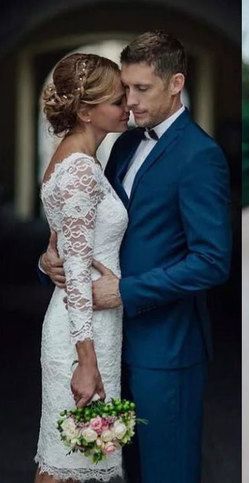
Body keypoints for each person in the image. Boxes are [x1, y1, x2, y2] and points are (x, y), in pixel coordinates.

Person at [39, 31, 232, 482]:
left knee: (168, 471)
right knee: (114, 466)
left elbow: (211, 260)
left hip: (166, 347)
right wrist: (51, 261)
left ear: (176, 83)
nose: (130, 101)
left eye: (141, 89)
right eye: (125, 88)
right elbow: (91, 226)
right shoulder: (121, 143)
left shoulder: (200, 155)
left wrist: (124, 291)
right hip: (110, 344)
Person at [35, 53, 129, 481]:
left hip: (93, 325)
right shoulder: (78, 169)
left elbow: (63, 244)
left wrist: (45, 257)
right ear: (87, 111)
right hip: (82, 335)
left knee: (84, 460)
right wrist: (86, 362)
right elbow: (75, 272)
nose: (126, 104)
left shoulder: (76, 159)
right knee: (65, 465)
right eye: (116, 98)